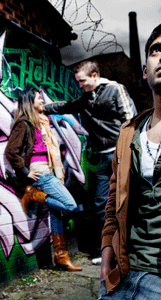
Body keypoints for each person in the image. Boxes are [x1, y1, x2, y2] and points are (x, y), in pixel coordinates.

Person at [99, 18, 161, 300]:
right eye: (156, 50)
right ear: (146, 70)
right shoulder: (128, 131)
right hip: (122, 274)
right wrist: (107, 250)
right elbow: (112, 201)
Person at [43, 60, 137, 260]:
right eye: (77, 82)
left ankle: (132, 251)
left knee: (127, 202)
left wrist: (126, 153)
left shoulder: (115, 90)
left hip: (122, 155)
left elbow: (131, 122)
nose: (80, 85)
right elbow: (66, 106)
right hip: (105, 158)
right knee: (101, 204)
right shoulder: (86, 99)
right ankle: (109, 252)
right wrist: (42, 108)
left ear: (94, 76)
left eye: (82, 81)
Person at [5, 86, 82, 272]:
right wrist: (24, 172)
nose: (42, 101)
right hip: (40, 171)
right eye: (38, 98)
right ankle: (32, 194)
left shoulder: (40, 120)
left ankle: (61, 257)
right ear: (30, 102)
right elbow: (10, 151)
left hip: (49, 169)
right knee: (70, 206)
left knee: (57, 213)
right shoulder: (24, 122)